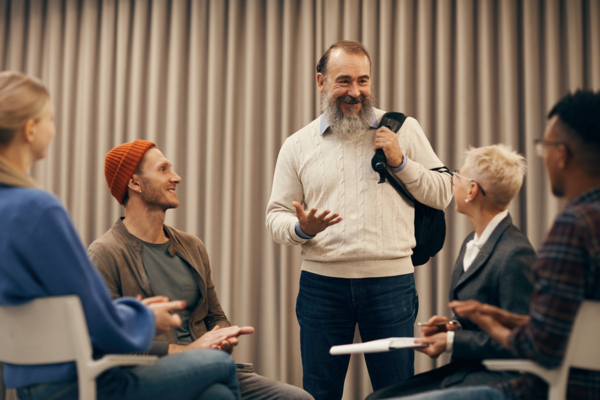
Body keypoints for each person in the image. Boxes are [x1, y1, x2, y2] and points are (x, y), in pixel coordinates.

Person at [0, 71, 242, 400]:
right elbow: (94, 321)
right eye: (51, 119)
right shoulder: (39, 209)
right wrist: (145, 317)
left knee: (217, 395)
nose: (53, 129)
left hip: (23, 381)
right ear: (30, 129)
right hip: (81, 382)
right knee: (221, 368)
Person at [265, 40, 453, 400]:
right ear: (321, 82)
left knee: (396, 393)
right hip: (321, 287)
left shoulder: (403, 129)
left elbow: (444, 191)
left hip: (391, 285)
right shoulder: (296, 145)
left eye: (363, 81)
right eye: (344, 81)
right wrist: (302, 229)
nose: (355, 92)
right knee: (319, 393)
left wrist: (401, 161)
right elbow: (275, 217)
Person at [384, 90, 600, 400]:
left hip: (535, 384)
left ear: (562, 154)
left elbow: (543, 344)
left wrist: (470, 332)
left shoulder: (571, 228)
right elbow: (555, 322)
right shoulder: (474, 241)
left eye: (545, 147)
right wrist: (470, 324)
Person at [88, 140, 314, 400]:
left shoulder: (191, 246)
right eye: (163, 169)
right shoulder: (104, 254)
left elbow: (215, 315)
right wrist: (187, 351)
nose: (176, 178)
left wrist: (221, 337)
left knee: (299, 399)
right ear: (135, 183)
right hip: (151, 376)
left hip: (209, 366)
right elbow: (111, 343)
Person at [366, 144, 535, 399]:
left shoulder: (515, 254)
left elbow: (521, 340)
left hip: (499, 378)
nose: (452, 180)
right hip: (465, 369)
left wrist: (452, 342)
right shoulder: (471, 241)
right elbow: (484, 322)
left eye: (457, 175)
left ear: (472, 190)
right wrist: (453, 326)